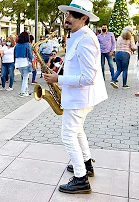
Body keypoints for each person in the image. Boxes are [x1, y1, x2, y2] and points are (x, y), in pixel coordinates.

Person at [44, 0, 108, 194]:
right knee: (78, 131)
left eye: (73, 15)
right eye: (67, 14)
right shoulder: (79, 35)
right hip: (79, 96)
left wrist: (58, 78)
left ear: (84, 18)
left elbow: (89, 77)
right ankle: (86, 164)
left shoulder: (86, 39)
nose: (67, 18)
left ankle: (81, 179)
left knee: (68, 136)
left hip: (80, 97)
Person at [14, 31, 33, 97]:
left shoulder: (16, 45)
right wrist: (31, 61)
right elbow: (30, 54)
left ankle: (26, 91)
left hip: (18, 63)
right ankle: (22, 92)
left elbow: (14, 55)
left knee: (24, 77)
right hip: (25, 62)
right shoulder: (27, 44)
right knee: (25, 78)